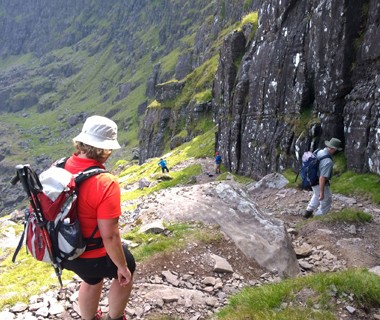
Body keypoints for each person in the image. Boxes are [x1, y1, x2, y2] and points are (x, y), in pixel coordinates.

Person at [61, 115, 135, 320]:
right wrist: (122, 267)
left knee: (92, 278)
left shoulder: (60, 166)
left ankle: (89, 318)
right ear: (105, 149)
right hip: (88, 254)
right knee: (127, 267)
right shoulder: (105, 182)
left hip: (62, 251)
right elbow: (110, 236)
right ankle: (117, 317)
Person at [303, 137, 343, 219]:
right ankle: (318, 219)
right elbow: (322, 177)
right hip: (318, 182)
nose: (336, 151)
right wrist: (322, 192)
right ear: (333, 149)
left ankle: (308, 212)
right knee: (326, 201)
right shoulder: (328, 161)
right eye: (336, 149)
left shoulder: (319, 151)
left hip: (312, 180)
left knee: (316, 195)